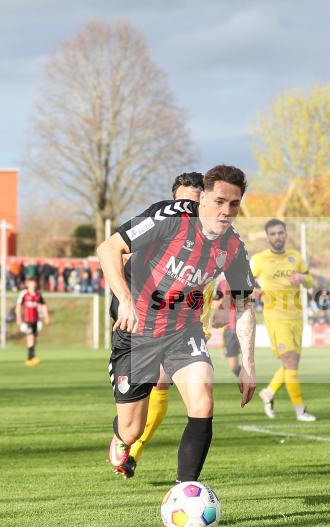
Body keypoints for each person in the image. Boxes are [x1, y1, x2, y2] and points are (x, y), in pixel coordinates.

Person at [97, 164, 257, 484]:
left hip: (184, 329)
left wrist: (248, 365)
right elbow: (108, 248)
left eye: (234, 204)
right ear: (204, 199)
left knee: (203, 401)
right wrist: (126, 301)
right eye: (219, 202)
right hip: (138, 329)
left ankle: (186, 490)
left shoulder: (234, 248)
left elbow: (244, 304)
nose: (226, 211)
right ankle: (121, 437)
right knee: (132, 429)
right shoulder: (170, 217)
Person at [126, 172, 211, 477]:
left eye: (194, 202)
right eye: (182, 202)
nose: (187, 209)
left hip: (190, 326)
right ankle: (130, 444)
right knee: (152, 389)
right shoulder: (162, 231)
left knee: (192, 398)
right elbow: (126, 261)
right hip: (151, 324)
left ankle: (142, 455)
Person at [252, 219, 317, 421]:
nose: (277, 237)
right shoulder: (260, 260)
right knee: (289, 360)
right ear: (267, 237)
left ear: (286, 234)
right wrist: (255, 292)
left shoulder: (296, 257)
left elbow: (310, 282)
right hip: (275, 317)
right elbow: (247, 283)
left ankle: (269, 392)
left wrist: (303, 279)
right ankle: (300, 410)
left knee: (292, 364)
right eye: (273, 234)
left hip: (296, 316)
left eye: (280, 233)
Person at [15, 275, 50, 366]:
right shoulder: (24, 294)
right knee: (30, 336)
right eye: (31, 283)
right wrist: (18, 318)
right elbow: (18, 306)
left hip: (36, 319)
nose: (33, 285)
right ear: (28, 284)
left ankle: (31, 356)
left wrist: (46, 316)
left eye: (34, 283)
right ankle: (30, 357)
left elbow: (43, 305)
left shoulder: (38, 295)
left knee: (34, 337)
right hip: (27, 319)